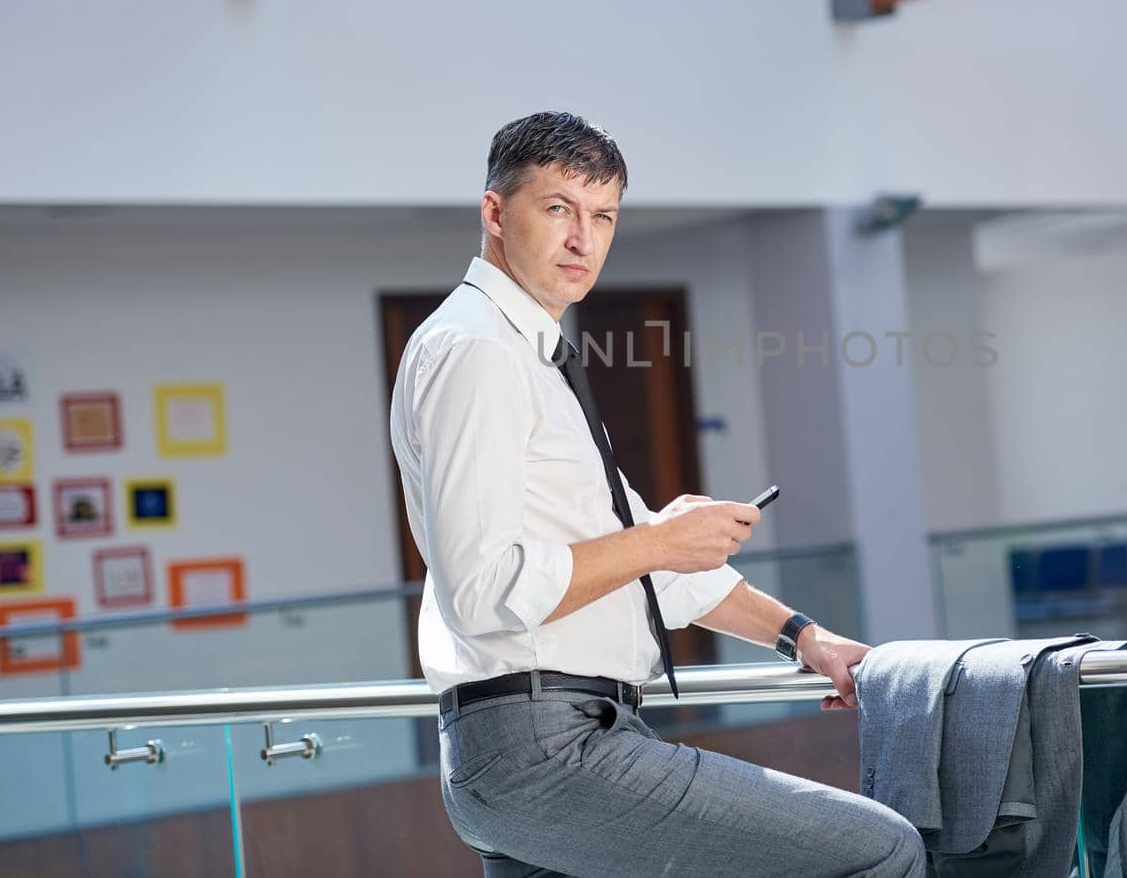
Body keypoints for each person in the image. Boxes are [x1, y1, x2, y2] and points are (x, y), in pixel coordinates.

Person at [389, 111, 925, 877]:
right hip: (545, 751)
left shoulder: (526, 354)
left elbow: (653, 567)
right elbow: (481, 590)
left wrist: (804, 637)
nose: (584, 240)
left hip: (551, 747)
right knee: (880, 849)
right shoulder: (476, 351)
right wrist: (658, 541)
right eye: (557, 209)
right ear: (495, 213)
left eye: (602, 216)